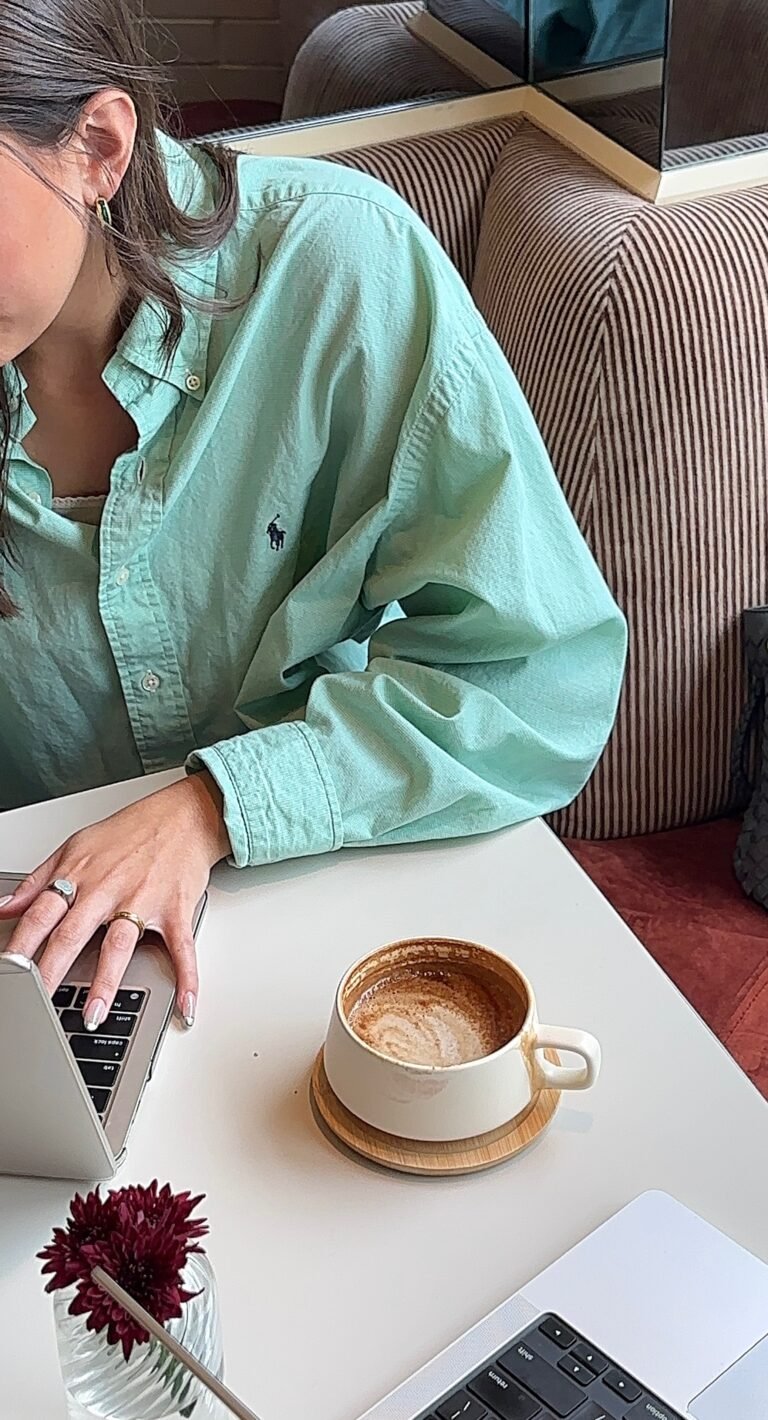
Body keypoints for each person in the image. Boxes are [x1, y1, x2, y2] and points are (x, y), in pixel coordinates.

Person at [0, 0, 627, 1032]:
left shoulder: (340, 271)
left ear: (99, 148)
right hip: (44, 942)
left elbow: (537, 676)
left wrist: (213, 803)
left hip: (331, 895)